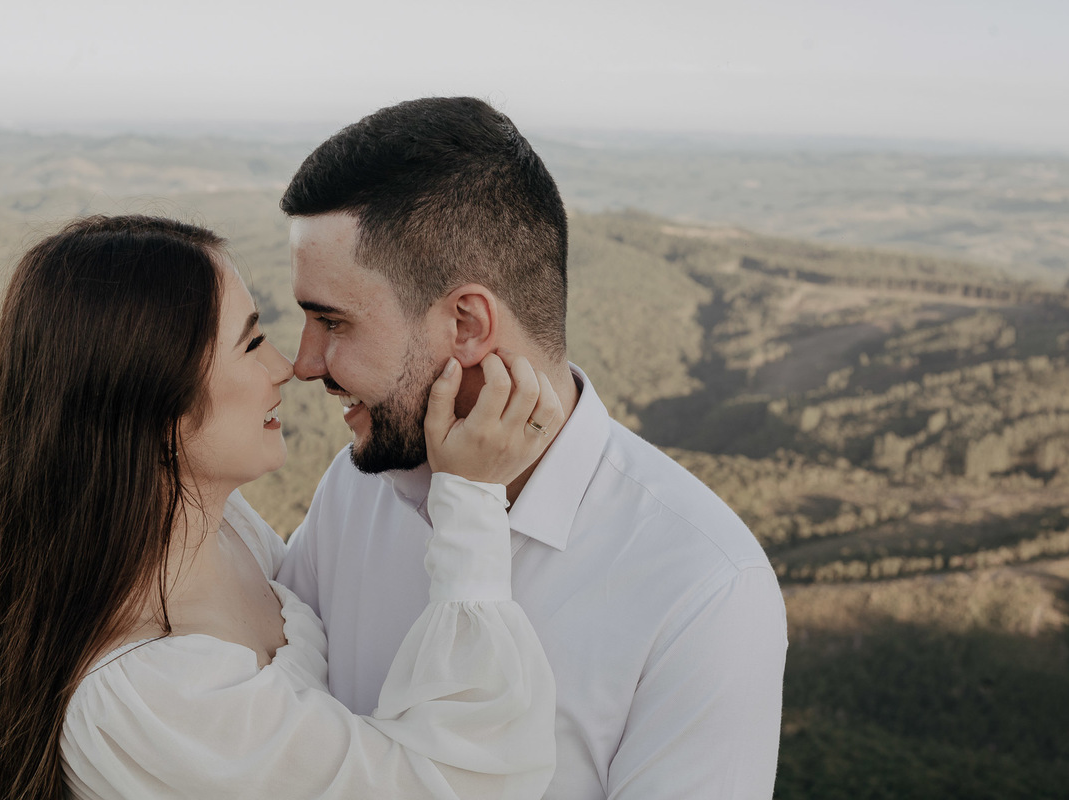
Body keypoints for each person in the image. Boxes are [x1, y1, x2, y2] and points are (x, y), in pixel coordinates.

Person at [276, 97, 789, 799]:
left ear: (466, 324)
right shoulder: (355, 488)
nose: (304, 363)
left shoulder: (703, 586)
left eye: (332, 321)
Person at [0, 215, 561, 800]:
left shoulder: (224, 529)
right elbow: (462, 784)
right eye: (250, 343)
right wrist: (473, 500)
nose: (287, 367)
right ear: (152, 409)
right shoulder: (153, 693)